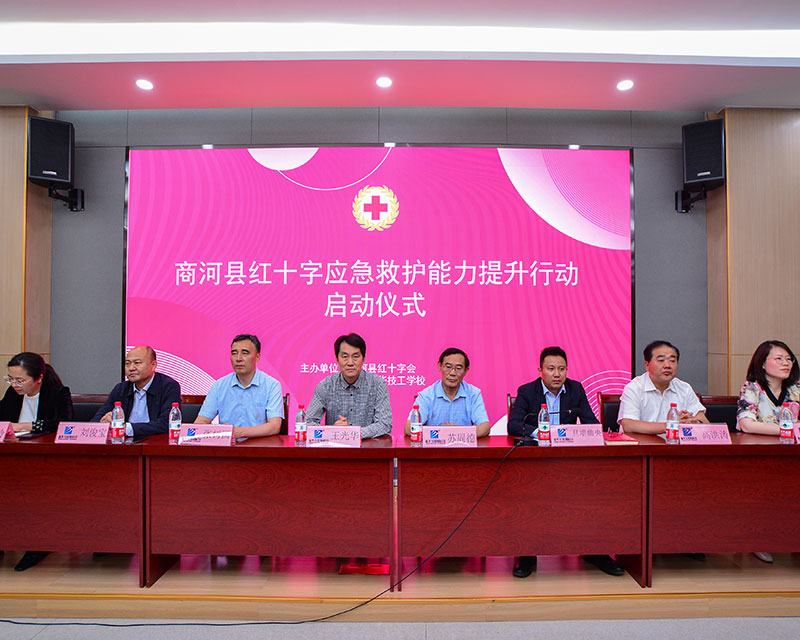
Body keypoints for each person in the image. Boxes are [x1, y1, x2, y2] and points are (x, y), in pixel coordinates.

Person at [507, 346, 622, 579]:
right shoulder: (527, 391)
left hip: (570, 462)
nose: (557, 374)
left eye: (562, 369)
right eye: (551, 369)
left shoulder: (575, 388)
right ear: (540, 370)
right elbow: (514, 425)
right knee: (528, 498)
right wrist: (544, 433)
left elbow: (590, 422)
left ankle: (595, 551)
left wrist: (580, 433)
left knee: (595, 493)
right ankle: (527, 554)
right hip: (536, 463)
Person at [0, 352, 73, 572]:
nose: (15, 385)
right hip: (13, 454)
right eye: (11, 379)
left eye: (20, 380)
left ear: (38, 378)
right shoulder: (12, 394)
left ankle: (36, 544)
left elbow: (64, 423)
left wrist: (25, 426)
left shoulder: (58, 393)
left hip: (46, 458)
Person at [736, 339, 800, 565]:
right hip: (758, 457)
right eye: (779, 359)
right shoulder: (752, 388)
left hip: (792, 457)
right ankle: (760, 540)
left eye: (789, 359)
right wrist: (789, 431)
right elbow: (747, 424)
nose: (786, 363)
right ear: (763, 363)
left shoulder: (795, 390)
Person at [196, 334, 284, 438]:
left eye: (245, 353)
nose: (238, 358)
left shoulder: (272, 385)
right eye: (234, 353)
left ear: (257, 357)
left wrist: (236, 432)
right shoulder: (219, 385)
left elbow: (274, 426)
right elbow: (201, 421)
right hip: (227, 445)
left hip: (260, 445)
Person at [306, 333, 392, 438]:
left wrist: (352, 433)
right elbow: (307, 423)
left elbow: (385, 425)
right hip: (335, 446)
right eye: (345, 357)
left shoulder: (378, 385)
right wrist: (332, 431)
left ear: (363, 359)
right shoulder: (325, 386)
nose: (350, 362)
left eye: (355, 356)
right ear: (337, 359)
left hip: (367, 446)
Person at [619, 340, 707, 435]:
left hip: (676, 443)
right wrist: (671, 425)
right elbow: (629, 425)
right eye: (661, 360)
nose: (667, 366)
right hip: (642, 444)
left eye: (672, 361)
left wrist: (694, 422)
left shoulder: (684, 388)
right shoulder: (634, 388)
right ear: (647, 365)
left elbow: (704, 421)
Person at [92, 346, 181, 436]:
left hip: (155, 441)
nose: (131, 368)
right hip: (124, 442)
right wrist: (104, 421)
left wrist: (127, 428)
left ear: (153, 365)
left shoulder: (169, 387)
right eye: (127, 363)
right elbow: (96, 420)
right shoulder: (121, 388)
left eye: (137, 363)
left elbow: (167, 423)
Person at [404, 347, 490, 437]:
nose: (452, 373)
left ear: (466, 371)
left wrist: (458, 432)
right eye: (448, 367)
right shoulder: (426, 395)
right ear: (440, 367)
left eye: (458, 368)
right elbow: (409, 428)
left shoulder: (473, 394)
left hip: (463, 445)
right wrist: (441, 432)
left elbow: (485, 427)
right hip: (434, 444)